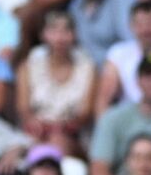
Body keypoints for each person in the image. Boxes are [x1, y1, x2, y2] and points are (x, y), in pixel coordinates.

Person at [15, 10, 96, 157]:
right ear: (43, 35)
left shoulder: (87, 67)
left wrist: (58, 129)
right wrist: (39, 127)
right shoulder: (28, 67)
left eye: (66, 30)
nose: (60, 38)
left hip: (73, 135)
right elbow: (24, 110)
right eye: (53, 30)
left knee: (57, 142)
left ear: (75, 34)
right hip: (36, 132)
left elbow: (85, 114)